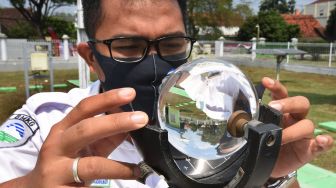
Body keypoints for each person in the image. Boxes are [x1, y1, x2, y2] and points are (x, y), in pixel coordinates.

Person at [0, 0, 333, 187]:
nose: (156, 65)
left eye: (172, 44)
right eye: (128, 46)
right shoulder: (50, 121)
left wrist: (267, 174)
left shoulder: (220, 119)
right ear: (92, 59)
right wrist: (32, 184)